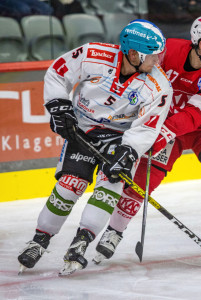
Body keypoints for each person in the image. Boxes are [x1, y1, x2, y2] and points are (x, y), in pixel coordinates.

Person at [17, 19, 173, 276]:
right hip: (83, 129)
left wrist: (129, 151)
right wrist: (59, 105)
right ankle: (39, 240)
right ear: (133, 53)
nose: (158, 61)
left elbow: (147, 127)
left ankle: (82, 241)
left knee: (109, 186)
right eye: (153, 56)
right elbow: (58, 71)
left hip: (121, 138)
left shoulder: (159, 85)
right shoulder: (93, 54)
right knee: (70, 184)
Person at [94, 14, 201, 265]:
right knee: (142, 178)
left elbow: (194, 115)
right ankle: (114, 230)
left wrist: (161, 135)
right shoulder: (165, 52)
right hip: (163, 122)